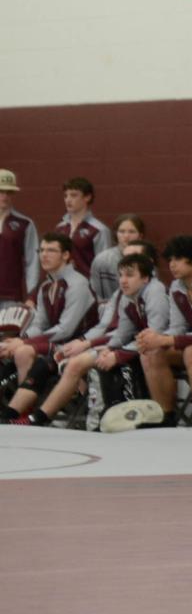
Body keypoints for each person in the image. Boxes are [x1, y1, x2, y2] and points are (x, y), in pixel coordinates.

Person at [7, 248, 167, 427]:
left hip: (134, 347)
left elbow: (68, 329)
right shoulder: (125, 295)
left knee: (66, 360)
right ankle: (15, 414)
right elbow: (122, 333)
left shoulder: (154, 292)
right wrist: (107, 349)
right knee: (42, 360)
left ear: (146, 275)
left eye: (129, 275)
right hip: (103, 343)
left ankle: (161, 415)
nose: (123, 280)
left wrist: (95, 346)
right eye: (121, 275)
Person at [123, 235, 192, 429]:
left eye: (178, 259)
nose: (172, 265)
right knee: (150, 352)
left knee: (191, 352)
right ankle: (164, 414)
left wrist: (165, 340)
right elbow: (177, 328)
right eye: (170, 259)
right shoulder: (176, 286)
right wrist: (154, 338)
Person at [2, 235, 93, 391]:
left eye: (51, 250)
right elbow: (40, 324)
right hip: (55, 341)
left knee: (23, 352)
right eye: (41, 250)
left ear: (65, 255)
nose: (44, 255)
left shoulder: (78, 284)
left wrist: (24, 343)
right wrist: (20, 338)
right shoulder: (46, 286)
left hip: (76, 344)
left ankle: (22, 411)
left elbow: (65, 329)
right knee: (5, 346)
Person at [51, 178, 109, 279]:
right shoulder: (59, 228)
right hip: (62, 286)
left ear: (87, 197)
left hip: (87, 287)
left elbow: (104, 267)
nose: (68, 199)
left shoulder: (98, 230)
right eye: (65, 196)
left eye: (73, 195)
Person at [0, 169, 39, 305]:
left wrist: (31, 294)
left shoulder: (25, 224)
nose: (4, 196)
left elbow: (32, 261)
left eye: (9, 192)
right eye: (1, 191)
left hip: (11, 296)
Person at [89, 214, 146, 301]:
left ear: (140, 236)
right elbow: (96, 294)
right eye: (122, 231)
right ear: (116, 234)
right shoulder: (102, 260)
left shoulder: (147, 260)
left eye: (131, 232)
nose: (126, 236)